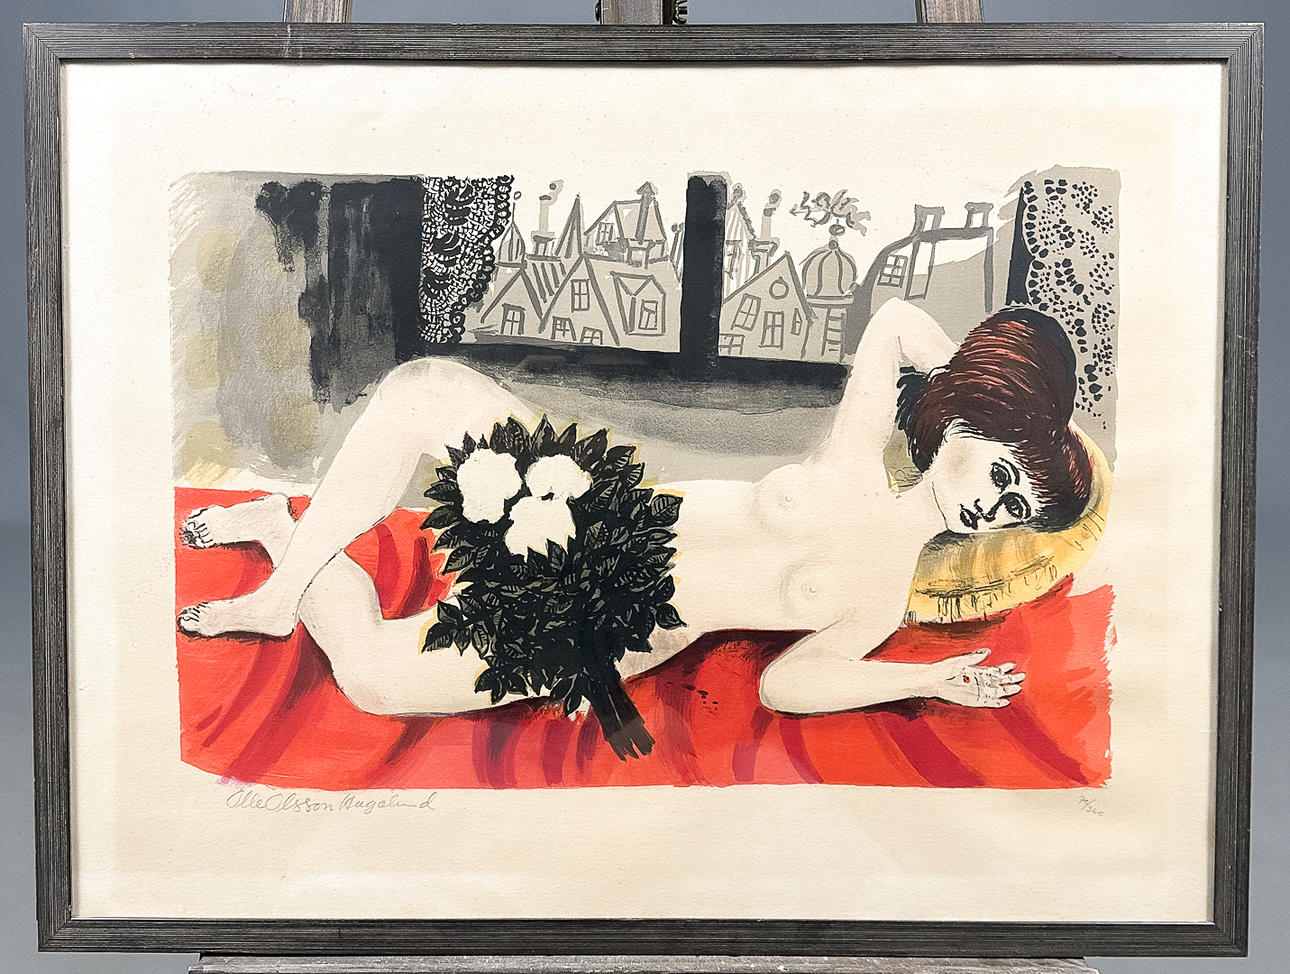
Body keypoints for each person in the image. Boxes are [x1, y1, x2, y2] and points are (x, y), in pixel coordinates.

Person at [178, 298, 1092, 718]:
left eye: (1017, 508)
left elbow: (788, 686)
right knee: (421, 389)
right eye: (1003, 472)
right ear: (969, 423)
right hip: (598, 511)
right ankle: (279, 596)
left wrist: (923, 681)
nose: (996, 505)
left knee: (375, 682)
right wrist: (980, 384)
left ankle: (279, 529)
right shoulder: (855, 462)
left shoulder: (883, 594)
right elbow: (892, 322)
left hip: (612, 623)